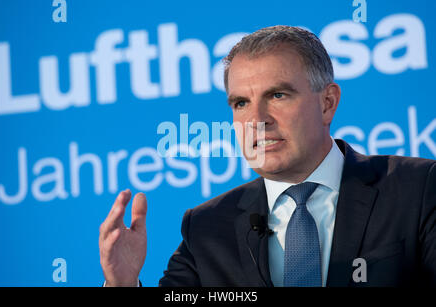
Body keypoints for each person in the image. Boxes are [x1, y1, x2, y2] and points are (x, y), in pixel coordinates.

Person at [98, 25, 436, 287]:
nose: (257, 120)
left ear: (327, 103)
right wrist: (122, 283)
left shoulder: (417, 189)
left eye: (278, 94)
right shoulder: (206, 228)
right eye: (241, 103)